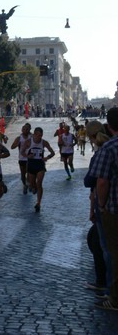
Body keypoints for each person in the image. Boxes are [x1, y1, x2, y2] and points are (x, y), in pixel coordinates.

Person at [89, 108, 118, 311]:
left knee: (113, 253)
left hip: (113, 209)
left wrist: (100, 205)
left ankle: (114, 297)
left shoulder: (109, 148)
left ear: (109, 126)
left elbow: (101, 182)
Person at [83, 121, 111, 296]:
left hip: (106, 206)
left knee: (104, 246)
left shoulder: (101, 153)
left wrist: (97, 207)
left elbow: (92, 181)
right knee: (95, 239)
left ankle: (107, 286)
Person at [21, 127, 55, 212]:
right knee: (32, 184)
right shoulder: (28, 142)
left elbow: (52, 152)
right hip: (31, 164)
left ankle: (38, 203)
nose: (40, 137)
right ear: (34, 134)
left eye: (41, 135)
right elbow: (22, 152)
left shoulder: (44, 142)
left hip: (40, 165)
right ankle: (33, 187)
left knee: (39, 183)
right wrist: (28, 156)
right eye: (38, 135)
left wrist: (47, 157)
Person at [11, 123, 32, 194]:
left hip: (29, 158)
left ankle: (28, 183)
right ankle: (25, 185)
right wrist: (17, 144)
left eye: (27, 129)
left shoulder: (31, 137)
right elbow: (12, 147)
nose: (25, 130)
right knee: (22, 175)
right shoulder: (19, 138)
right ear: (22, 130)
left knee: (28, 172)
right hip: (21, 158)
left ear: (29, 130)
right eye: (24, 129)